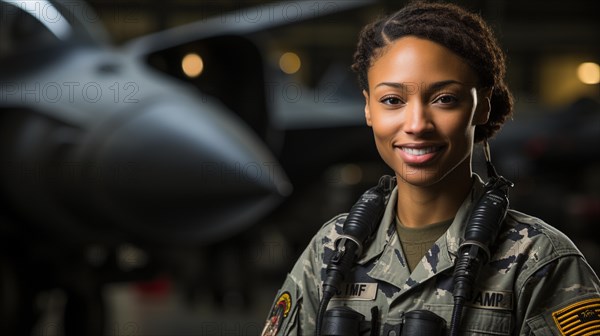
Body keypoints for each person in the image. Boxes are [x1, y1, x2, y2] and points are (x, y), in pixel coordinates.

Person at [261, 2, 600, 335]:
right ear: (368, 108)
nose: (417, 124)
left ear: (482, 106)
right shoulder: (331, 250)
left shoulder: (538, 261)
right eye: (392, 100)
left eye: (444, 99)